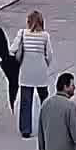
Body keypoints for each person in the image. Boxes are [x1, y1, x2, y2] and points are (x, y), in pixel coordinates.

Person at [12, 11, 54, 139]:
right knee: (44, 98)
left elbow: (13, 49)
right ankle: (48, 126)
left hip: (26, 70)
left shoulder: (22, 33)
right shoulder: (45, 36)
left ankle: (26, 129)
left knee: (26, 100)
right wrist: (44, 64)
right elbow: (49, 55)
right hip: (40, 71)